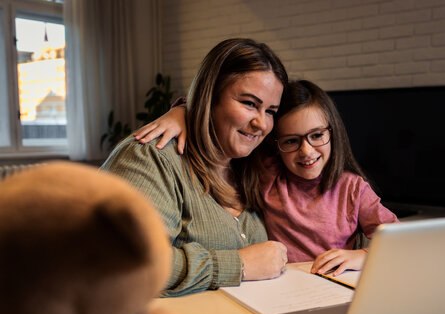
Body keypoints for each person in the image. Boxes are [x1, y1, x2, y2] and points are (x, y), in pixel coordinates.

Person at [135, 80, 398, 277]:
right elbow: (224, 128)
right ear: (276, 144)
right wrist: (183, 112)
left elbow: (398, 240)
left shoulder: (352, 189)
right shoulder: (267, 171)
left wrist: (361, 256)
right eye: (291, 141)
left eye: (317, 135)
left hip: (331, 288)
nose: (306, 151)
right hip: (276, 288)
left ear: (333, 132)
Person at [101, 38, 289, 297]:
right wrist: (240, 265)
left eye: (271, 111)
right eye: (249, 103)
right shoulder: (151, 156)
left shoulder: (254, 164)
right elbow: (126, 262)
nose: (262, 124)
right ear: (210, 97)